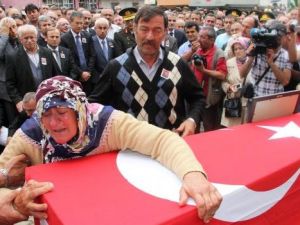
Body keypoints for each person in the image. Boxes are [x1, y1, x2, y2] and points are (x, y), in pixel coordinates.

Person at [0, 76, 222, 223]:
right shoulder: (30, 135)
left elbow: (162, 140)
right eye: (46, 115)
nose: (54, 123)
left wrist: (192, 174)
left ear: (79, 110)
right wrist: (15, 199)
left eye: (61, 112)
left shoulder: (108, 123)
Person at [89, 6, 205, 135]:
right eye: (144, 29)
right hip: (130, 147)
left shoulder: (178, 64)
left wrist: (191, 120)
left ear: (165, 32)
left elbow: (197, 98)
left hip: (171, 145)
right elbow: (94, 105)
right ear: (134, 29)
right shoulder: (116, 67)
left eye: (157, 30)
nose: (150, 37)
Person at [5, 24, 58, 114]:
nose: (29, 40)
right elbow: (10, 83)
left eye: (31, 37)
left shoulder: (47, 52)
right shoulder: (13, 57)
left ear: (36, 37)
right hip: (27, 104)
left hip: (47, 99)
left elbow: (55, 75)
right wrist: (18, 101)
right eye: (26, 38)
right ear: (20, 40)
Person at [221, 37, 251, 127]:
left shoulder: (253, 62)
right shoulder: (229, 63)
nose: (237, 51)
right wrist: (228, 88)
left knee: (247, 131)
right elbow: (223, 81)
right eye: (235, 49)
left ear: (247, 48)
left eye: (240, 48)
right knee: (232, 132)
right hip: (233, 102)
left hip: (248, 102)